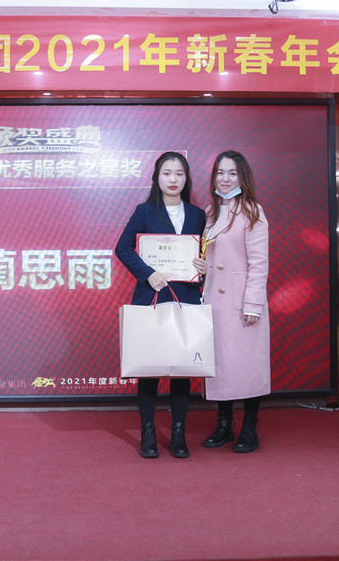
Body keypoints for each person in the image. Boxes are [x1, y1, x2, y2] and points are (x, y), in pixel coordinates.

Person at [115, 151, 208, 459]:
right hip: (152, 295)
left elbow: (204, 254)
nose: (173, 179)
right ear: (156, 177)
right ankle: (148, 433)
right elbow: (122, 248)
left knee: (182, 369)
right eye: (167, 173)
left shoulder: (197, 214)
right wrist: (148, 273)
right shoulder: (144, 211)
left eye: (179, 173)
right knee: (150, 368)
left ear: (186, 178)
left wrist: (203, 268)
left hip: (186, 296)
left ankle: (179, 433)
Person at [201, 150, 270, 453]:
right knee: (222, 365)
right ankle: (224, 425)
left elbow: (259, 263)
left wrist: (253, 304)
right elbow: (209, 256)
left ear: (243, 177)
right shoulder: (211, 211)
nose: (225, 179)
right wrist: (200, 266)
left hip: (242, 302)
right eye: (220, 173)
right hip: (215, 301)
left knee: (248, 365)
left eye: (232, 173)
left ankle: (250, 427)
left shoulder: (252, 211)